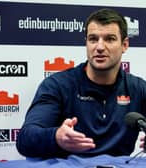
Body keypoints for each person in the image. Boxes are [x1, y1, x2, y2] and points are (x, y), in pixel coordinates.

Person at [16, 8, 146, 158]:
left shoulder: (138, 89)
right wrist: (56, 137)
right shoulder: (57, 85)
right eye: (93, 39)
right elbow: (25, 139)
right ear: (86, 43)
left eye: (110, 39)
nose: (100, 47)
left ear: (124, 45)